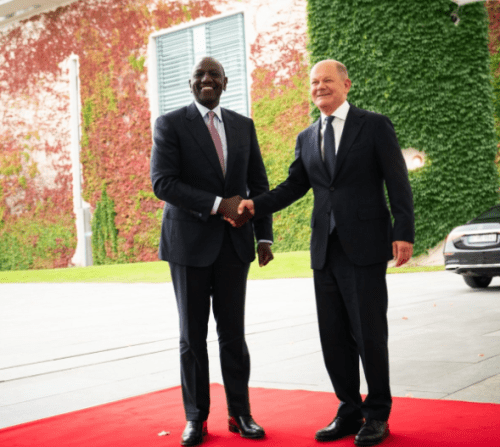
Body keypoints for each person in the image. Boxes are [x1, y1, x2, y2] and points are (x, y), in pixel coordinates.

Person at [232, 60, 414, 446]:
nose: (319, 87)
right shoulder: (307, 136)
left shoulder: (374, 125)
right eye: (314, 82)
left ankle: (377, 413)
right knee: (333, 336)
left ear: (346, 84)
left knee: (369, 334)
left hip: (364, 246)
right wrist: (254, 206)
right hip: (324, 250)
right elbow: (293, 186)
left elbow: (398, 182)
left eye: (327, 81)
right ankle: (349, 410)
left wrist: (404, 232)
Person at [150, 56, 273, 446]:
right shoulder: (170, 124)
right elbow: (163, 183)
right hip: (189, 245)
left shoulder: (243, 125)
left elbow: (258, 184)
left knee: (233, 334)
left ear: (225, 82)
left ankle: (240, 414)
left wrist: (264, 236)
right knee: (192, 336)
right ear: (190, 83)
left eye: (214, 75)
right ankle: (196, 417)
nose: (207, 80)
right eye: (200, 75)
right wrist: (218, 204)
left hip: (234, 246)